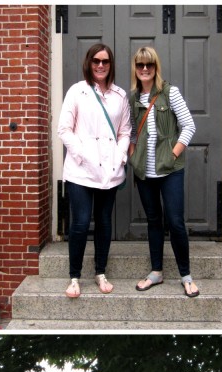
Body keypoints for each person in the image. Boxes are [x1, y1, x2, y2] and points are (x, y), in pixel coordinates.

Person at [58, 43, 131, 298]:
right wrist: (81, 155)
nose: (100, 65)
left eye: (105, 61)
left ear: (111, 65)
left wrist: (120, 157)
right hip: (80, 171)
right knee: (79, 223)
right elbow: (64, 129)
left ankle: (101, 272)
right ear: (89, 63)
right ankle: (74, 277)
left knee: (103, 222)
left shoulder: (120, 96)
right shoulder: (77, 92)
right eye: (96, 61)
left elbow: (124, 132)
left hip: (109, 172)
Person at [128, 47, 199, 297]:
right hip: (144, 173)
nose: (144, 69)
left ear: (156, 67)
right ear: (135, 68)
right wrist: (131, 155)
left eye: (149, 65)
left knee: (176, 222)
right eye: (140, 65)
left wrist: (173, 153)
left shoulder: (170, 93)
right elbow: (130, 132)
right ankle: (156, 272)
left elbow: (189, 125)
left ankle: (186, 275)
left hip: (170, 170)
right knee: (153, 221)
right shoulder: (133, 98)